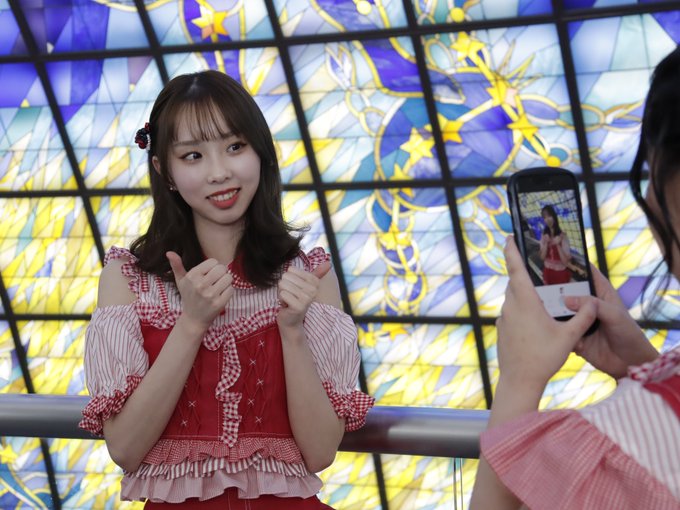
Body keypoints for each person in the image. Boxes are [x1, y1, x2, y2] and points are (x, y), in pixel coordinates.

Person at [79, 70, 374, 509]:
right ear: (164, 170)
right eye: (193, 156)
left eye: (235, 147)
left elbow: (319, 453)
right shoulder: (129, 280)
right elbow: (124, 448)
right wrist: (191, 324)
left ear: (261, 152)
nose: (219, 172)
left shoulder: (310, 275)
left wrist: (292, 331)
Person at [470, 46, 680, 509]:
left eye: (652, 168)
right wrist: (642, 365)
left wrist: (520, 380)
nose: (648, 194)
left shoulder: (632, 439)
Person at [539, 204, 572, 285]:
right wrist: (546, 243)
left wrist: (558, 245)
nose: (547, 219)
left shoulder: (563, 236)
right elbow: (542, 257)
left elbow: (565, 262)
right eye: (544, 217)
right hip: (548, 273)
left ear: (554, 216)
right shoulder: (544, 236)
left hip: (561, 274)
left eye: (549, 216)